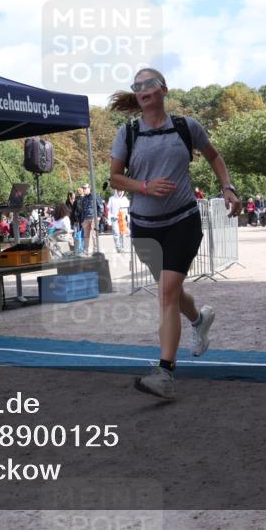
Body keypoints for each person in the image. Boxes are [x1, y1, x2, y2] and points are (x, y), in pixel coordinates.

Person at [109, 67, 240, 400]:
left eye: (148, 83)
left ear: (163, 89)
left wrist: (228, 187)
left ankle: (165, 372)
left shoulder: (186, 127)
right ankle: (199, 319)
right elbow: (114, 178)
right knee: (171, 290)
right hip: (145, 227)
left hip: (182, 220)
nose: (142, 89)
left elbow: (215, 157)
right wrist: (144, 186)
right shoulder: (127, 133)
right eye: (137, 86)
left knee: (167, 292)